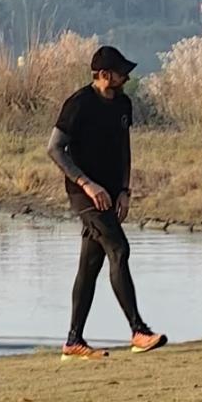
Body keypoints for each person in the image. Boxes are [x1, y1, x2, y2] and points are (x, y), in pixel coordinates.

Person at [46, 47, 166, 358]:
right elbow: (55, 149)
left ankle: (73, 341)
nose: (126, 77)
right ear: (103, 75)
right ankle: (138, 331)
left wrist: (125, 190)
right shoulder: (79, 103)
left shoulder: (123, 103)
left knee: (90, 266)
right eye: (120, 72)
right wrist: (87, 184)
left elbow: (125, 148)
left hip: (112, 194)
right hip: (84, 195)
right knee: (119, 249)